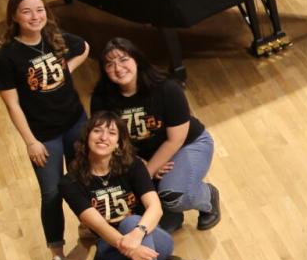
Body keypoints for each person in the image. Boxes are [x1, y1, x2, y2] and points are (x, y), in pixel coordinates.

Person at [62, 113, 215, 260]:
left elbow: (155, 207)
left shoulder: (131, 165)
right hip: (112, 246)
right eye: (97, 131)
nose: (104, 137)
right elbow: (93, 222)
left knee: (131, 221)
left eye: (112, 133)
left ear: (118, 143)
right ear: (86, 138)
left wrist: (137, 233)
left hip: (151, 241)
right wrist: (127, 247)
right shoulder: (70, 181)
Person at [0, 0, 89, 260]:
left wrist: (67, 70)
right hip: (43, 135)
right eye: (27, 11)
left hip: (75, 122)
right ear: (14, 16)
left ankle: (91, 227)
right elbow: (12, 104)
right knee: (51, 193)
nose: (35, 17)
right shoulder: (6, 57)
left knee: (84, 178)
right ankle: (58, 255)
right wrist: (30, 142)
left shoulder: (55, 37)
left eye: (39, 10)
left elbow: (84, 46)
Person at [91, 37, 221, 232]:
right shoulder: (101, 98)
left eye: (124, 59)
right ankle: (172, 212)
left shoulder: (167, 88)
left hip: (186, 145)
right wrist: (137, 162)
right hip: (140, 157)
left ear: (136, 60)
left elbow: (175, 140)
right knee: (162, 223)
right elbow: (106, 139)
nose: (118, 68)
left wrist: (146, 173)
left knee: (174, 196)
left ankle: (207, 196)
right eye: (110, 64)